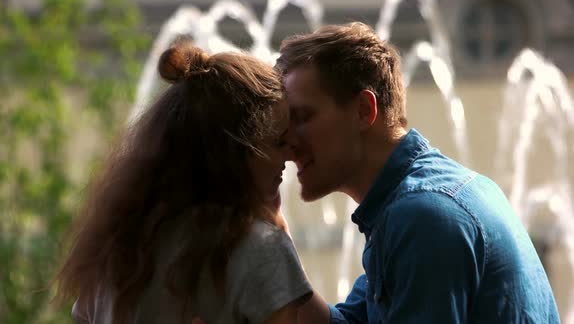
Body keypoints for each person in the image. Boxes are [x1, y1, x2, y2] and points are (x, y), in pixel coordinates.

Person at [273, 22, 560, 323]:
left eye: (303, 117)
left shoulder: (423, 215)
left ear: (363, 111)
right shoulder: (411, 204)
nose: (287, 142)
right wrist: (271, 233)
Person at [53, 41, 313, 324]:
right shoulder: (262, 251)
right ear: (232, 154)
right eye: (278, 142)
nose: (291, 154)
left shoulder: (119, 244)